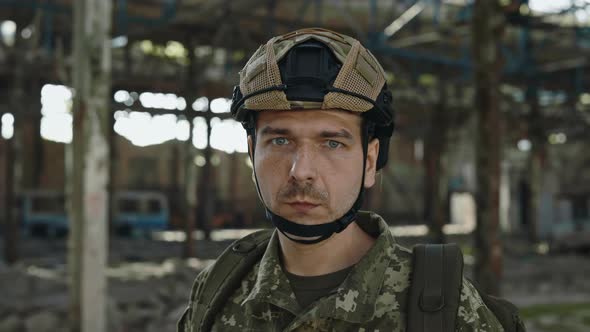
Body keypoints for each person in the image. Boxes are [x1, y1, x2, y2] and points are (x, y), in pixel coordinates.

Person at [178, 28, 515, 331]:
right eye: (280, 141)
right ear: (253, 153)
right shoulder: (218, 292)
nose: (301, 170)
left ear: (369, 162)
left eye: (332, 143)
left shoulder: (443, 310)